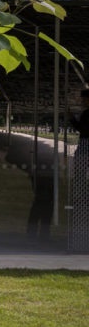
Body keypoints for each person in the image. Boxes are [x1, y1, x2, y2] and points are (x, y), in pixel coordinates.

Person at [68, 89, 89, 250]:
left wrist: (72, 120)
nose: (83, 102)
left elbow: (82, 129)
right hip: (83, 146)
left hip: (85, 146)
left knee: (81, 169)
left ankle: (81, 191)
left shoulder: (87, 114)